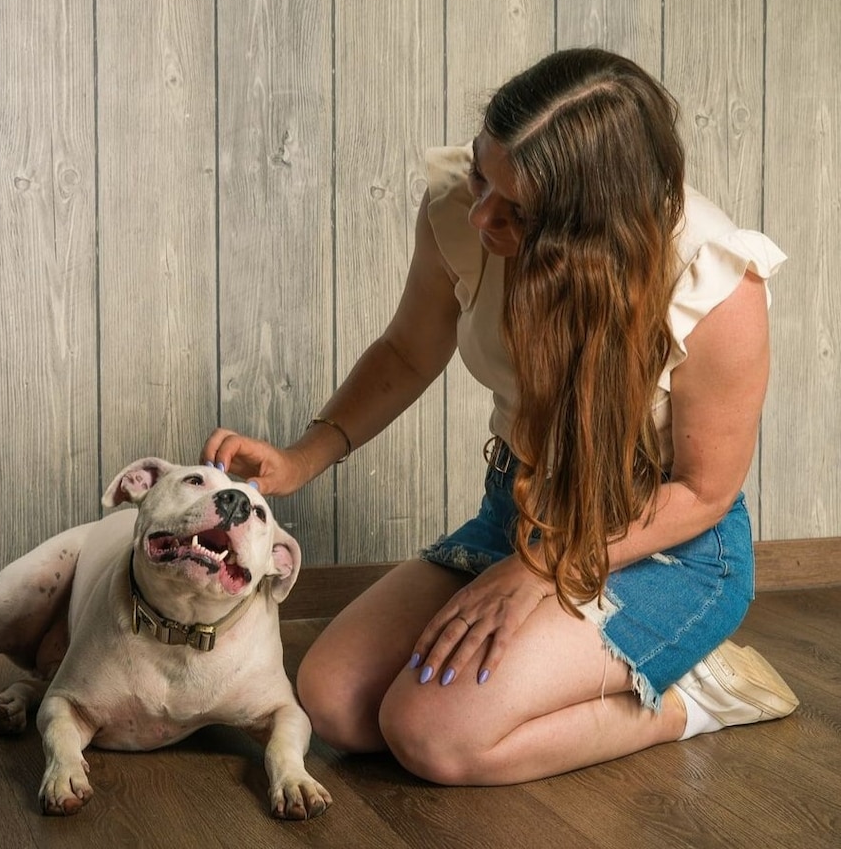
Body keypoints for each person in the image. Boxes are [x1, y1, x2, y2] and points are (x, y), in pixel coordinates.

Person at [202, 48, 799, 785]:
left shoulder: (713, 281)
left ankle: (695, 697)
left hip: (661, 545)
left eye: (516, 210)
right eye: (484, 174)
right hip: (519, 509)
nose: (480, 211)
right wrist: (302, 456)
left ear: (592, 226)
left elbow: (703, 494)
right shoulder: (466, 211)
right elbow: (406, 351)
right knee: (337, 704)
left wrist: (543, 569)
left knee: (434, 738)